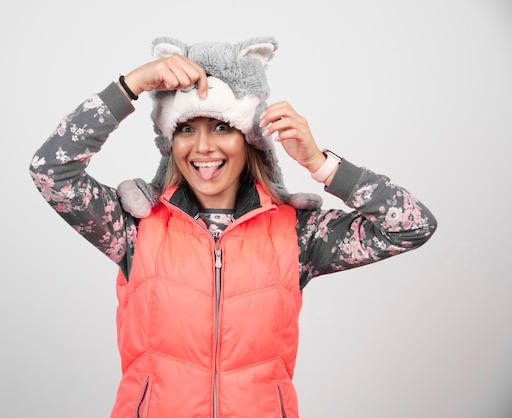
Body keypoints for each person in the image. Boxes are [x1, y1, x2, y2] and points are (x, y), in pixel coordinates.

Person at [29, 36, 437, 418]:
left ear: (251, 138)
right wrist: (130, 85)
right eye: (186, 128)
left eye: (222, 127)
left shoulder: (298, 233)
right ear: (170, 140)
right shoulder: (134, 226)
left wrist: (321, 163)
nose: (203, 147)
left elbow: (412, 225)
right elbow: (50, 171)